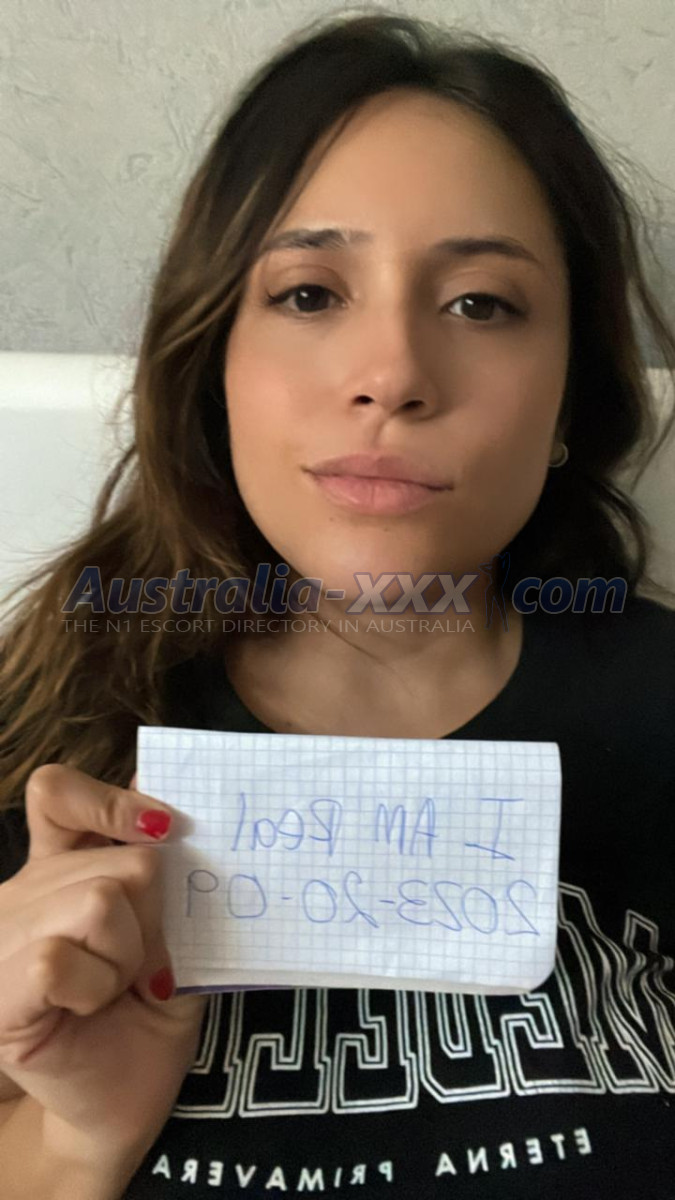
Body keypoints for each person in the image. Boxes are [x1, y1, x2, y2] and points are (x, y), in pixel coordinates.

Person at [0, 10, 674, 1198]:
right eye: (310, 293)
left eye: (481, 303)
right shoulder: (38, 743)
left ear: (573, 394)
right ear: (213, 361)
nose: (393, 376)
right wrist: (71, 1144)